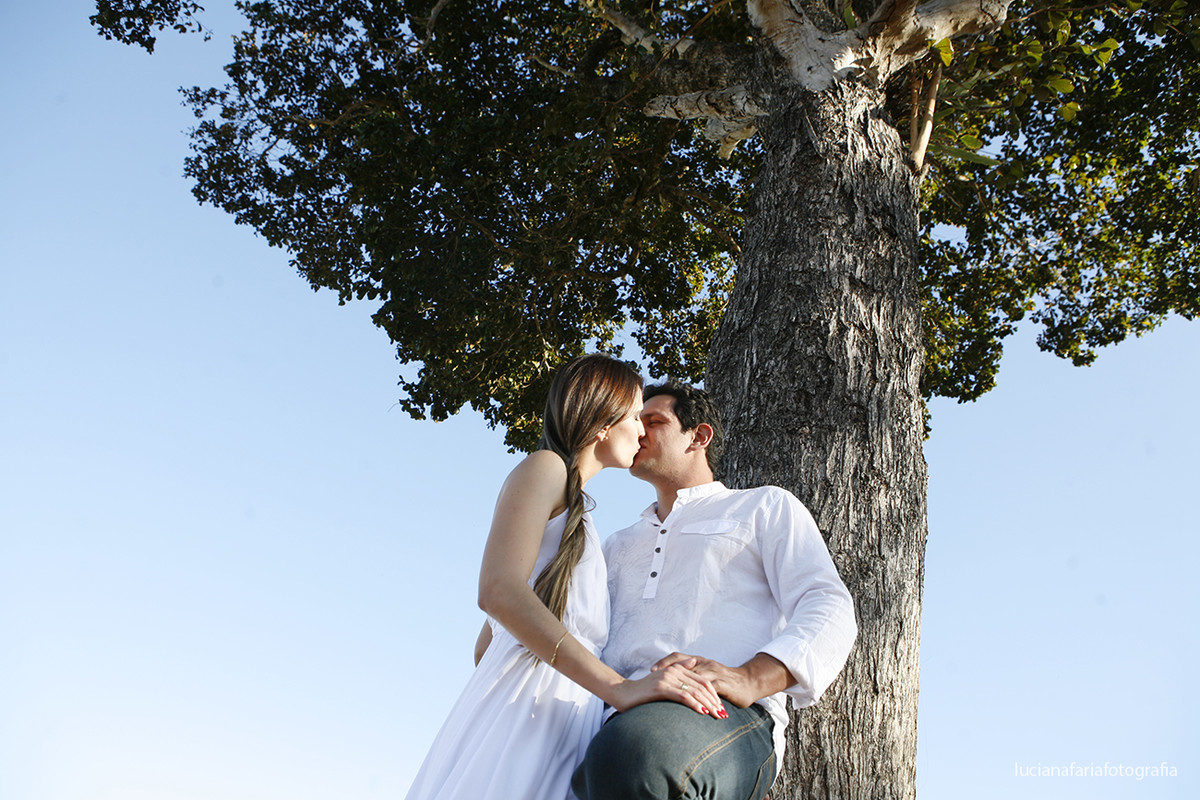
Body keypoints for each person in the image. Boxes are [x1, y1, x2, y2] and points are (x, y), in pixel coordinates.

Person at [405, 356, 728, 800]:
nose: (641, 431)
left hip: (564, 720)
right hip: (528, 718)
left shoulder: (585, 521)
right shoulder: (545, 468)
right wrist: (619, 689)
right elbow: (498, 591)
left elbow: (487, 645)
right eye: (636, 416)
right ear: (602, 420)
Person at [572, 381, 858, 800]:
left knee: (638, 756)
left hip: (718, 713)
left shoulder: (763, 507)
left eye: (654, 421)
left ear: (699, 436)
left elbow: (828, 604)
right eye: (636, 422)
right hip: (608, 717)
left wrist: (751, 677)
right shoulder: (614, 544)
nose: (640, 432)